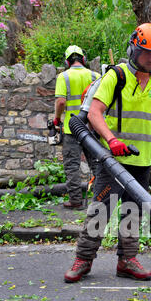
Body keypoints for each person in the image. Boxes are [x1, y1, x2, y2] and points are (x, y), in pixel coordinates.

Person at [64, 23, 151, 282]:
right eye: (148, 52)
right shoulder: (117, 76)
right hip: (113, 162)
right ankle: (83, 259)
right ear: (135, 50)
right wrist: (111, 140)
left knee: (133, 212)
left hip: (142, 162)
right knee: (100, 211)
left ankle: (127, 260)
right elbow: (93, 113)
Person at [54, 45, 100, 209]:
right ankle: (99, 199)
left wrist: (56, 119)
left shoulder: (63, 77)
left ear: (67, 61)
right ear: (84, 59)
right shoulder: (96, 76)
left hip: (71, 129)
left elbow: (61, 102)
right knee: (97, 164)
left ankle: (75, 200)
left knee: (72, 166)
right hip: (92, 128)